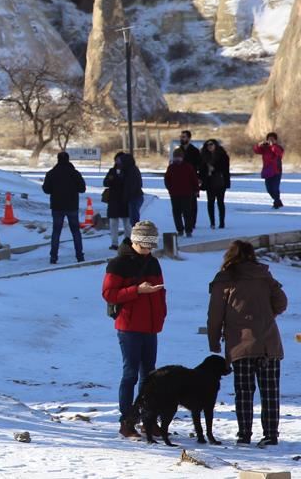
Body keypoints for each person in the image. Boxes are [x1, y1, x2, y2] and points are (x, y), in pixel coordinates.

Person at [207, 240, 287, 447]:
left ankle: (244, 434)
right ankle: (271, 434)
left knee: (243, 391)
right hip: (268, 342)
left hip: (240, 344)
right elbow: (281, 302)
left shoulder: (224, 279)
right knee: (270, 392)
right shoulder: (264, 275)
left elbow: (215, 315)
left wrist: (214, 341)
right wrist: (267, 315)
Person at [102, 221, 167, 439]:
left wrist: (161, 315)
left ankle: (148, 420)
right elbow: (109, 294)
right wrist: (136, 290)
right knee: (130, 374)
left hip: (150, 327)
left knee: (150, 376)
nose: (149, 250)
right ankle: (127, 421)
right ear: (136, 241)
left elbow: (160, 292)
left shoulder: (153, 263)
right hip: (129, 327)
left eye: (152, 245)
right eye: (146, 245)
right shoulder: (117, 264)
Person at [41, 151, 86, 264]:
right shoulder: (75, 173)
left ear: (58, 159)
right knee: (75, 232)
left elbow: (46, 189)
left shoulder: (51, 173)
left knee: (56, 232)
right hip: (72, 206)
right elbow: (82, 188)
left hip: (57, 206)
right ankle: (79, 256)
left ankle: (53, 257)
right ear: (68, 159)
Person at [164, 148, 199, 237]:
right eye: (176, 157)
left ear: (182, 157)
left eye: (179, 157)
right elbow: (167, 180)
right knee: (176, 213)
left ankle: (188, 230)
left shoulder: (188, 167)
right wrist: (170, 189)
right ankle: (180, 229)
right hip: (175, 194)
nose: (177, 159)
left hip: (187, 193)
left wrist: (196, 190)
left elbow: (194, 179)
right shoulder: (171, 167)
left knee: (187, 212)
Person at [200, 139, 231, 229]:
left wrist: (214, 169)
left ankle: (222, 222)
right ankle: (212, 222)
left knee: (220, 202)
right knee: (210, 202)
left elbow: (225, 169)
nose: (209, 146)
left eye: (211, 144)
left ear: (215, 145)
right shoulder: (203, 156)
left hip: (220, 181)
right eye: (207, 145)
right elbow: (201, 170)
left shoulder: (223, 155)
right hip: (209, 182)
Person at [103, 153, 130, 250]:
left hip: (125, 199)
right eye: (116, 160)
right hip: (113, 200)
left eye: (120, 160)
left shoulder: (128, 171)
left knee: (127, 223)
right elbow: (105, 182)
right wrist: (110, 180)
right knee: (113, 222)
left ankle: (128, 242)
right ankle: (114, 243)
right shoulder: (112, 171)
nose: (118, 162)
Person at [253, 132, 284, 209]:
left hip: (276, 171)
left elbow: (278, 153)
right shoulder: (265, 148)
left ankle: (276, 203)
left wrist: (272, 145)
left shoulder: (278, 147)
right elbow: (256, 150)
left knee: (275, 188)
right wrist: (259, 145)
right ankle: (278, 201)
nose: (270, 140)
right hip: (267, 171)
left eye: (272, 139)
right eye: (269, 139)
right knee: (269, 189)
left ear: (276, 140)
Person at [179, 130, 202, 229]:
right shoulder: (178, 150)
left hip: (192, 179)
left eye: (184, 137)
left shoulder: (194, 151)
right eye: (181, 137)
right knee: (182, 202)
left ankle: (192, 223)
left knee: (192, 202)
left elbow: (200, 165)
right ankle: (185, 222)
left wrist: (199, 178)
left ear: (188, 138)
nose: (181, 138)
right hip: (180, 179)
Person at [120, 152, 144, 226]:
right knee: (133, 218)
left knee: (134, 219)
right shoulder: (131, 169)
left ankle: (137, 232)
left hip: (134, 197)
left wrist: (126, 197)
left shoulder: (131, 171)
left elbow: (131, 186)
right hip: (135, 196)